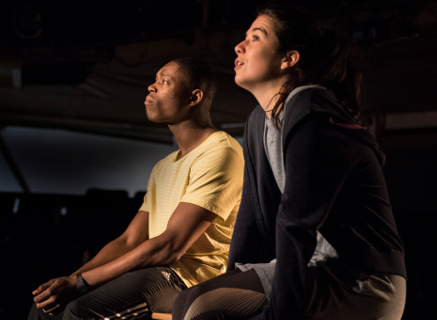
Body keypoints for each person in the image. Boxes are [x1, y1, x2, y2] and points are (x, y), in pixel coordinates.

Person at [173, 5, 407, 320]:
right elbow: (251, 218)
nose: (239, 46)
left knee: (199, 304)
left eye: (255, 38)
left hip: (361, 279)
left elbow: (296, 223)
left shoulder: (313, 113)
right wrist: (229, 280)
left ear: (288, 59)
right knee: (194, 302)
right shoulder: (259, 121)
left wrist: (279, 313)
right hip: (312, 266)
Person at [28, 57, 244, 320]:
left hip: (189, 279)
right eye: (154, 80)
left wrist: (82, 285)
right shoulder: (163, 167)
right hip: (154, 270)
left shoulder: (221, 151)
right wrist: (70, 280)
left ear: (194, 97)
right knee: (47, 309)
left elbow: (170, 246)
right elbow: (128, 240)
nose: (151, 87)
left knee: (80, 311)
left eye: (164, 81)